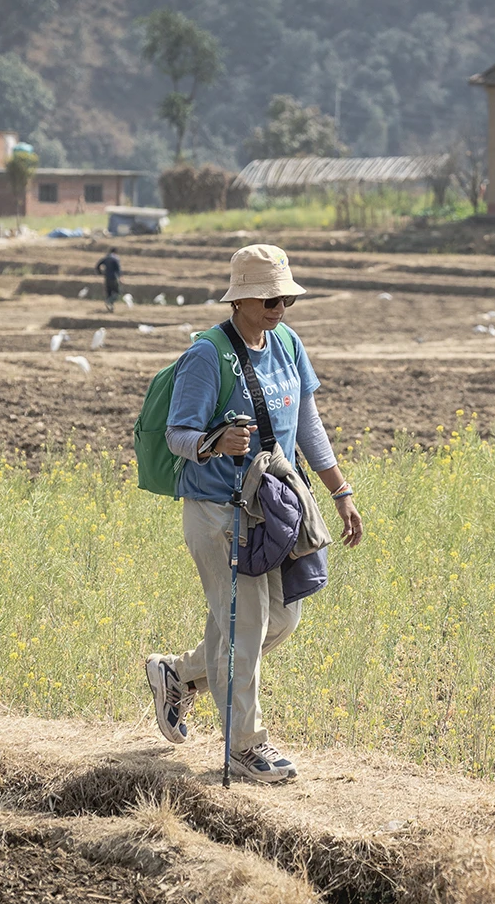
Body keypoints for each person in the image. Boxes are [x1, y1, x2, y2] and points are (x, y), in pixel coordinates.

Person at [146, 244, 363, 783]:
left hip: (272, 509)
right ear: (240, 298)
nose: (280, 307)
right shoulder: (207, 356)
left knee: (278, 619)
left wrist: (341, 492)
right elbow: (177, 435)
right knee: (244, 627)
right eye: (270, 298)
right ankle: (245, 747)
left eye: (286, 297)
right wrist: (215, 443)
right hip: (218, 512)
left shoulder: (288, 344)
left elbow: (308, 425)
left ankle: (178, 674)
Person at [94, 248, 122, 312]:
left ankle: (111, 308)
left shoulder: (106, 258)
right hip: (114, 278)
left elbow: (97, 266)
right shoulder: (116, 258)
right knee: (117, 292)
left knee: (109, 293)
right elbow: (118, 269)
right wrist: (120, 278)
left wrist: (100, 273)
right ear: (115, 252)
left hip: (107, 278)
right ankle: (109, 301)